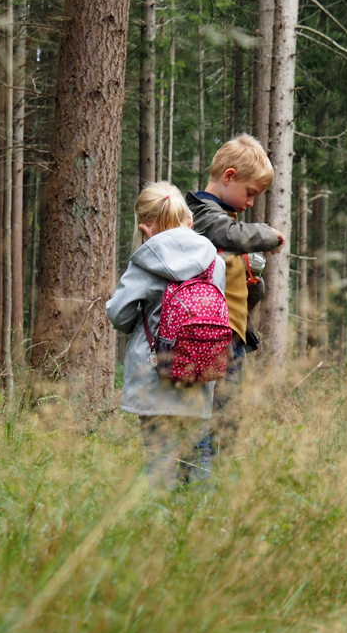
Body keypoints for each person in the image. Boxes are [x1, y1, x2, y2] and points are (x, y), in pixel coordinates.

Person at [106, 182, 227, 491]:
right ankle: (201, 526)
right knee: (198, 459)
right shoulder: (215, 262)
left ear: (146, 229)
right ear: (188, 220)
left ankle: (158, 531)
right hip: (198, 377)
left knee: (160, 463)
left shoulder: (146, 261)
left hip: (154, 378)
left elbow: (119, 314)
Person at [186, 135, 284, 457]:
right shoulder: (201, 214)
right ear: (229, 177)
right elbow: (226, 235)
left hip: (232, 337)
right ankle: (199, 489)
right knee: (206, 422)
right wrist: (267, 234)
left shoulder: (226, 219)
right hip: (209, 338)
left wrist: (255, 285)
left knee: (226, 422)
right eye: (250, 193)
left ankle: (218, 489)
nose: (251, 202)